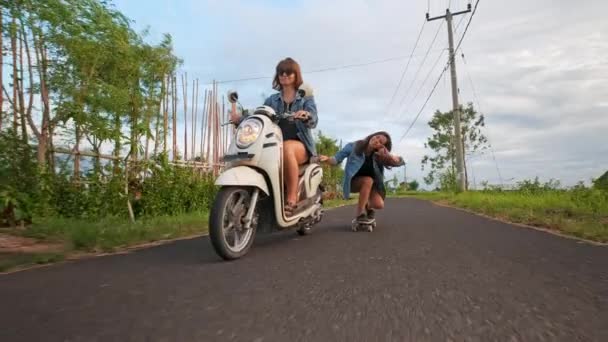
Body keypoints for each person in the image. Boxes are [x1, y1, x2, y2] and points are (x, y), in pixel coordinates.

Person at [230, 57, 318, 215]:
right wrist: (241, 119)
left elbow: (314, 118)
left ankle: (292, 197)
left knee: (287, 148)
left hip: (300, 145)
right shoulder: (272, 99)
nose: (284, 75)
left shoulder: (305, 96)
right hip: (274, 144)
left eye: (289, 72)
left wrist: (306, 115)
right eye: (281, 72)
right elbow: (260, 114)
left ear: (295, 74)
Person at [319, 131, 404, 223]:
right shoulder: (353, 146)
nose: (376, 141)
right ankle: (360, 215)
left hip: (371, 186)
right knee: (368, 180)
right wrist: (327, 159)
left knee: (379, 204)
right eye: (377, 137)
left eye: (380, 142)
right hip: (352, 182)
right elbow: (336, 159)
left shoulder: (380, 156)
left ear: (381, 147)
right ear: (373, 135)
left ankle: (367, 205)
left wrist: (389, 156)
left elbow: (399, 162)